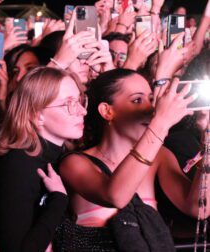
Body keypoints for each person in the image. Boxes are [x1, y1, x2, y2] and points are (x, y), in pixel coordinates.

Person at [56, 67, 209, 250]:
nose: (150, 109)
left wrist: (208, 144)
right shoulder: (74, 163)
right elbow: (117, 196)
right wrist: (161, 123)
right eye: (137, 100)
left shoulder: (160, 157)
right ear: (107, 111)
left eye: (151, 100)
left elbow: (198, 208)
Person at [0, 67, 87, 251]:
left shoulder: (64, 157)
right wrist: (58, 200)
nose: (82, 111)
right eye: (69, 103)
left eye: (80, 100)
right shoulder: (17, 165)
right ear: (36, 115)